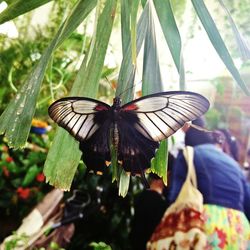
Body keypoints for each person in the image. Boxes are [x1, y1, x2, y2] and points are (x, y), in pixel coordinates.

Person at [169, 118, 250, 249]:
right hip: (240, 229)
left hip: (209, 225)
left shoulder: (189, 154)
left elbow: (175, 198)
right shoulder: (233, 164)